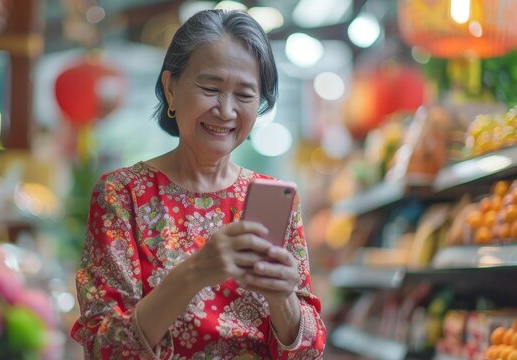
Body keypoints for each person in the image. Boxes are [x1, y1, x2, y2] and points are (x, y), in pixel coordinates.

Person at [71, 9, 327, 359]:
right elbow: (106, 347)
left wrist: (282, 297)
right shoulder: (123, 194)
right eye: (210, 88)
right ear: (171, 88)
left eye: (245, 95)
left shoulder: (274, 199)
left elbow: (308, 354)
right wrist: (195, 272)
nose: (226, 110)